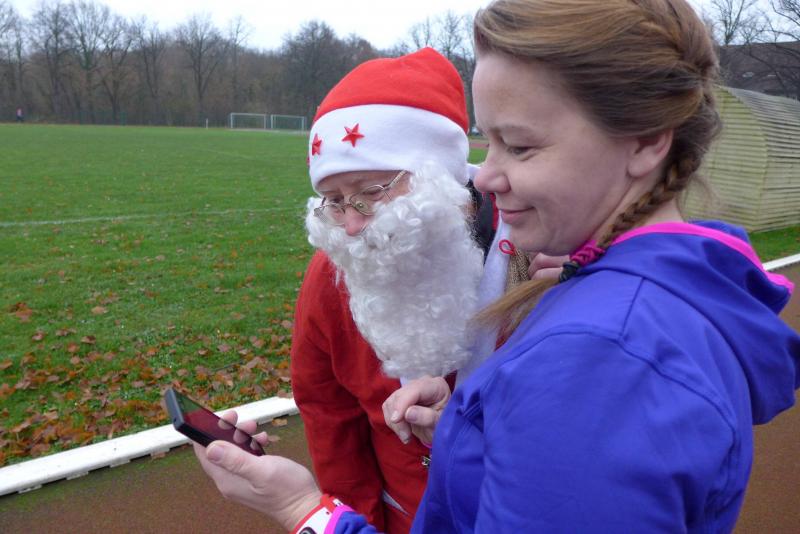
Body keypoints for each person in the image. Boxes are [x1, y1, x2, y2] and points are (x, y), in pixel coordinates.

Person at [194, 1, 800, 532]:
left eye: (520, 145)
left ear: (645, 140)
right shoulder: (619, 292)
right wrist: (467, 421)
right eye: (489, 140)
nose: (483, 177)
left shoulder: (598, 351)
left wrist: (304, 511)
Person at [287, 47, 506, 533]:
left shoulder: (532, 253)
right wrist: (358, 518)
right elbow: (327, 410)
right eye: (335, 201)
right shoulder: (332, 273)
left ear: (437, 175)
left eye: (371, 193)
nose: (351, 227)